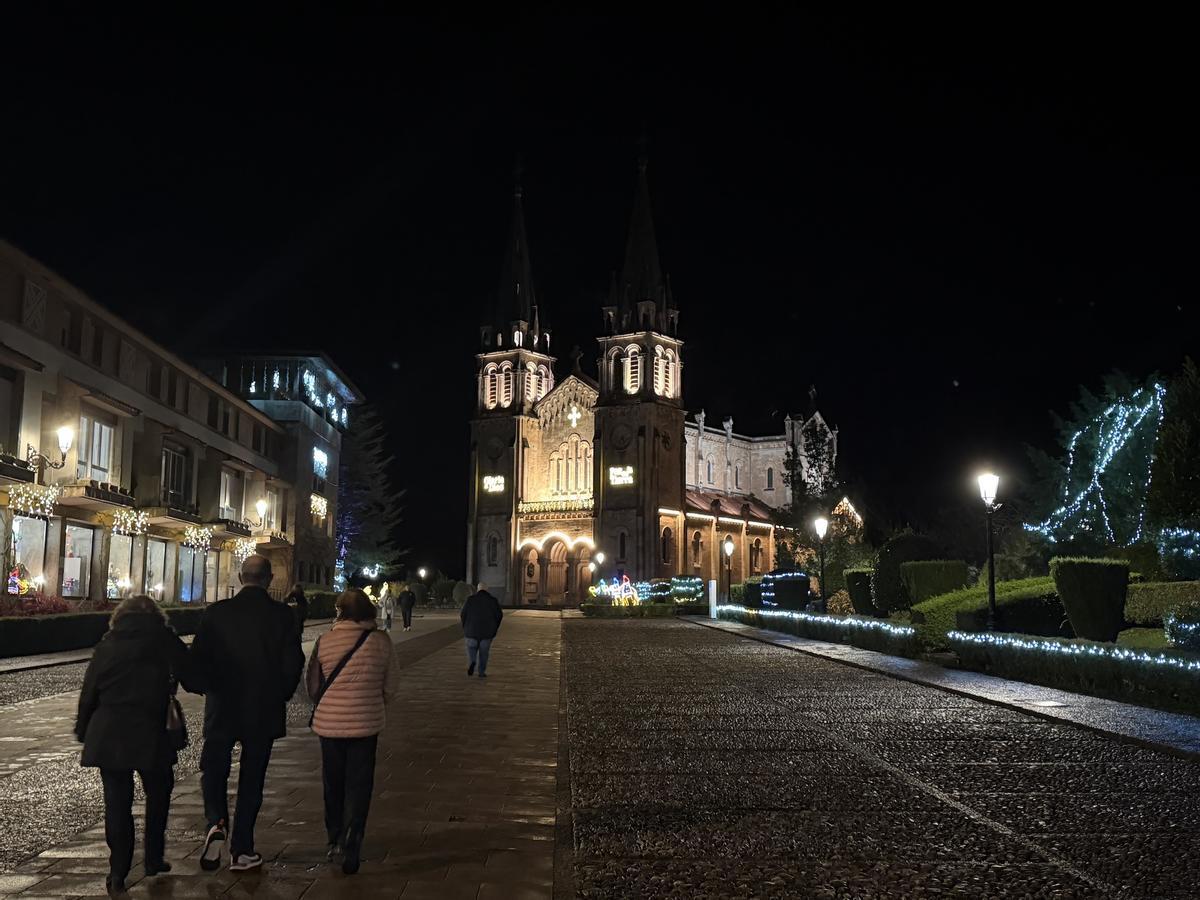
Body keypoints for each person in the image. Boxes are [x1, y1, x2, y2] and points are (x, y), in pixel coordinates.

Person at [190, 555, 304, 873]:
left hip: (223, 705)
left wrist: (206, 686)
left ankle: (216, 820)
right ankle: (242, 848)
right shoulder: (282, 615)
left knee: (214, 768)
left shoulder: (217, 612)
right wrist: (280, 693)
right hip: (262, 708)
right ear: (269, 579)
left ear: (241, 578)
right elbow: (293, 662)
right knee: (252, 778)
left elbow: (198, 658)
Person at [75, 595, 193, 897]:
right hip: (151, 730)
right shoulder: (164, 640)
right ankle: (153, 858)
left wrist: (83, 729)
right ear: (157, 616)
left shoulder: (108, 644)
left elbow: (90, 691)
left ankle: (118, 872)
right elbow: (192, 675)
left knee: (117, 804)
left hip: (109, 732)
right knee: (159, 793)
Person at [306, 588, 398, 875]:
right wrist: (373, 701)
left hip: (330, 725)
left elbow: (312, 686)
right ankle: (353, 836)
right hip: (366, 724)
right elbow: (391, 685)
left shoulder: (325, 641)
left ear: (340, 612)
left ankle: (334, 838)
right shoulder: (382, 641)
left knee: (333, 782)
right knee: (359, 783)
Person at [460, 582, 503, 678]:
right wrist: (494, 627)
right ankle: (481, 672)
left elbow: (463, 614)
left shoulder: (470, 600)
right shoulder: (493, 600)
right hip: (487, 633)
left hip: (471, 631)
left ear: (478, 589)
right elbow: (499, 615)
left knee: (471, 649)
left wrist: (466, 627)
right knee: (484, 653)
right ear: (487, 589)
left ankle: (472, 662)